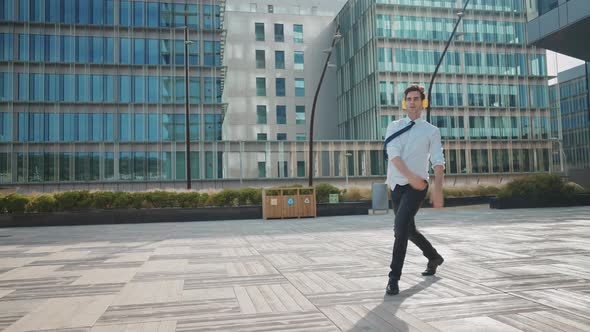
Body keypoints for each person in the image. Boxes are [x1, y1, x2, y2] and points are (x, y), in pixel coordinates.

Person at [384, 84, 445, 296]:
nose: (412, 102)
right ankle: (434, 257)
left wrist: (438, 189)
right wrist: (409, 177)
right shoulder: (394, 126)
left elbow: (438, 161)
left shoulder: (431, 131)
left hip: (417, 187)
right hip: (397, 185)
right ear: (405, 102)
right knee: (408, 230)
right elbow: (394, 155)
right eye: (409, 98)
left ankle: (393, 278)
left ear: (423, 102)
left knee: (400, 229)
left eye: (416, 98)